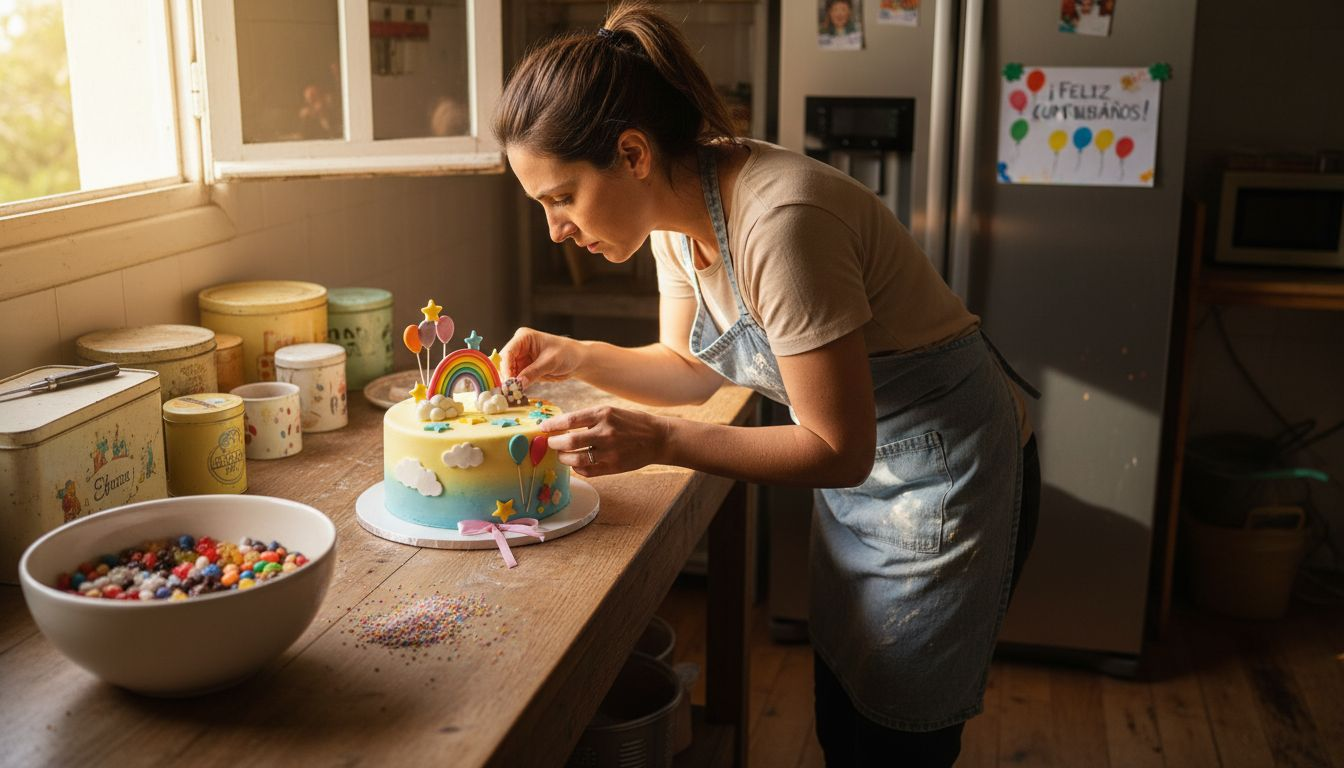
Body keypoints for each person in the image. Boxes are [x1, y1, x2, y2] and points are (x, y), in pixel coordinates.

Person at [493, 3, 1040, 766]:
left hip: (946, 477)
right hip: (864, 479)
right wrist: (578, 354)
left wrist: (662, 441)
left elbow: (837, 449)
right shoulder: (673, 219)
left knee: (895, 741)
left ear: (632, 153)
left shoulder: (780, 222)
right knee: (845, 709)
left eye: (562, 197)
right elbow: (689, 370)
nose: (556, 228)